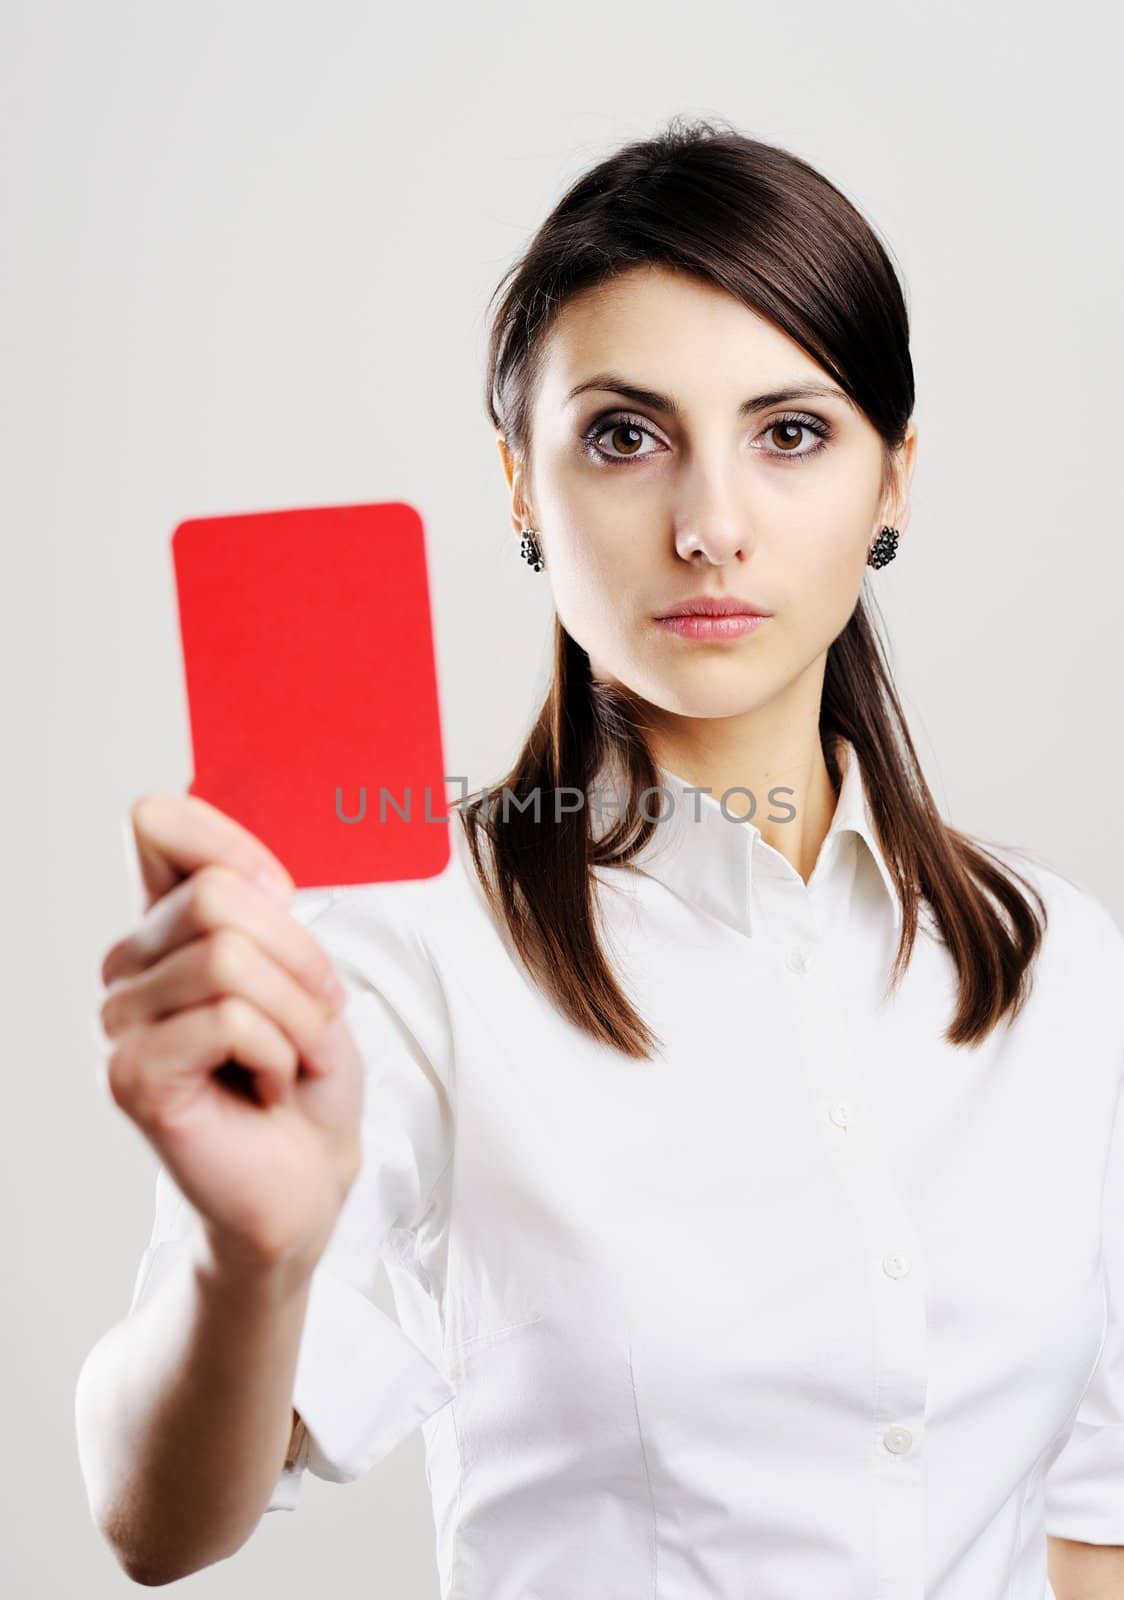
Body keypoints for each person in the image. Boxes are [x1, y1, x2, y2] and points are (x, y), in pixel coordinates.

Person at [75, 114, 1124, 1600]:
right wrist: (246, 1263)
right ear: (519, 482)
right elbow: (154, 1520)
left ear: (893, 477)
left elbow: (1089, 1530)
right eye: (625, 437)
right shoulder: (394, 941)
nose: (710, 527)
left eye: (792, 432)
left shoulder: (1061, 963)